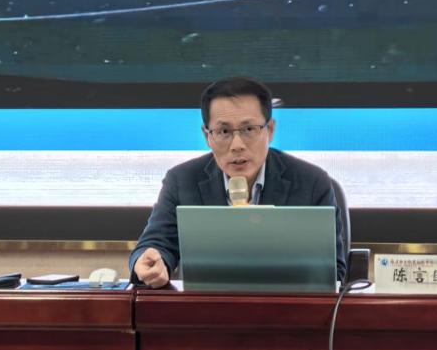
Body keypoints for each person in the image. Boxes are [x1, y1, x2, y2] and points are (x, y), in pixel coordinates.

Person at [130, 76, 346, 287]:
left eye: (249, 129)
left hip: (289, 306)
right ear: (207, 136)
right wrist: (149, 261)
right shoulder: (182, 180)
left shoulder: (312, 183)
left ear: (270, 130)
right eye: (224, 131)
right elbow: (155, 244)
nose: (237, 145)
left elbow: (334, 272)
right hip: (208, 306)